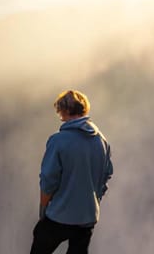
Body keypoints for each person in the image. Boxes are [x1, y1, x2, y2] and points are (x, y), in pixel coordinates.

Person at [30, 90, 113, 254]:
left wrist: (43, 208)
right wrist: (94, 199)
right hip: (87, 217)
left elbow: (48, 180)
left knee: (41, 240)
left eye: (59, 111)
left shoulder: (58, 141)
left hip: (60, 216)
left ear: (65, 111)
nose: (59, 115)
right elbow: (106, 175)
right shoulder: (101, 141)